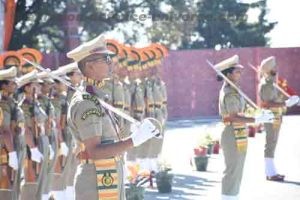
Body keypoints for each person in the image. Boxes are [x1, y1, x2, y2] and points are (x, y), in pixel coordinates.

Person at [66, 34, 159, 200]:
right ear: (89, 66)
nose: (111, 62)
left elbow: (109, 138)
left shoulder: (97, 97)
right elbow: (94, 151)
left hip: (107, 174)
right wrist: (134, 140)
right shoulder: (86, 103)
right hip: (95, 181)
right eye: (105, 59)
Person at [216, 55, 274, 200]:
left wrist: (261, 113)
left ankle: (234, 196)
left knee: (238, 169)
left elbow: (243, 111)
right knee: (232, 170)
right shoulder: (229, 93)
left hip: (239, 131)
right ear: (228, 74)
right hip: (231, 132)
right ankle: (227, 197)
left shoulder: (235, 90)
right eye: (237, 71)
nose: (240, 74)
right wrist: (256, 119)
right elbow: (234, 116)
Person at [258, 56, 300, 181]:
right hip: (270, 116)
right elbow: (266, 103)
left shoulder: (272, 83)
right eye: (274, 66)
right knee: (270, 143)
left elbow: (277, 98)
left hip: (276, 115)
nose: (277, 68)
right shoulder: (266, 84)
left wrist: (292, 100)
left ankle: (271, 171)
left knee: (273, 142)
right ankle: (270, 172)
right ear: (269, 69)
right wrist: (286, 104)